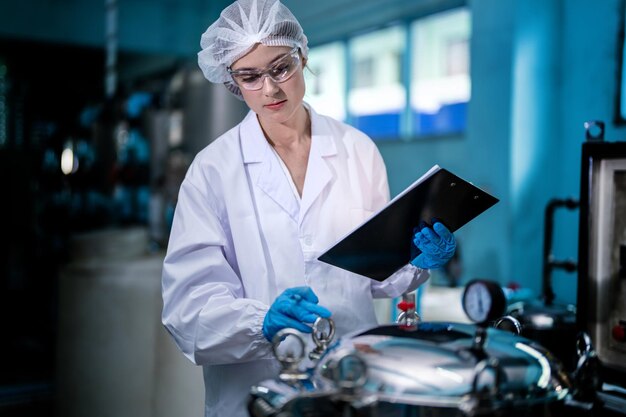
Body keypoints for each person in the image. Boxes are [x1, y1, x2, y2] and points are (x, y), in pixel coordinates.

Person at [161, 1, 457, 416]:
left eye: (280, 67)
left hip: (351, 382)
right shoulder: (212, 171)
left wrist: (413, 259)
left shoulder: (358, 150)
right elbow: (188, 308)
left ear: (302, 55)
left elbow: (372, 276)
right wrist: (260, 321)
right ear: (232, 82)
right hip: (256, 393)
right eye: (250, 76)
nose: (270, 89)